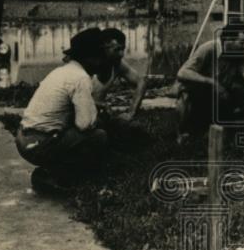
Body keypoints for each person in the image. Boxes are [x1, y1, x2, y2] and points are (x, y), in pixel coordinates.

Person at [15, 27, 109, 194]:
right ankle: (65, 177)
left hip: (24, 138)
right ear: (89, 58)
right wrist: (96, 114)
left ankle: (52, 172)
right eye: (99, 57)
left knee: (78, 132)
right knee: (98, 136)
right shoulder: (80, 78)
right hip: (39, 144)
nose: (102, 62)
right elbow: (85, 125)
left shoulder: (62, 71)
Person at [175, 20, 244, 142]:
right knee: (185, 94)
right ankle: (182, 133)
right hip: (199, 93)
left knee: (240, 89)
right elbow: (182, 73)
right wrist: (212, 82)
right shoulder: (208, 49)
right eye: (242, 42)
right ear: (229, 39)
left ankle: (222, 128)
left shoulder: (237, 54)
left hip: (219, 95)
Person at [91, 28, 147, 141]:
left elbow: (141, 81)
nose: (121, 54)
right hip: (81, 117)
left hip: (100, 117)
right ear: (104, 47)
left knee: (138, 131)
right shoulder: (89, 65)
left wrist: (131, 112)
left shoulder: (117, 64)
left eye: (123, 49)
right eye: (117, 49)